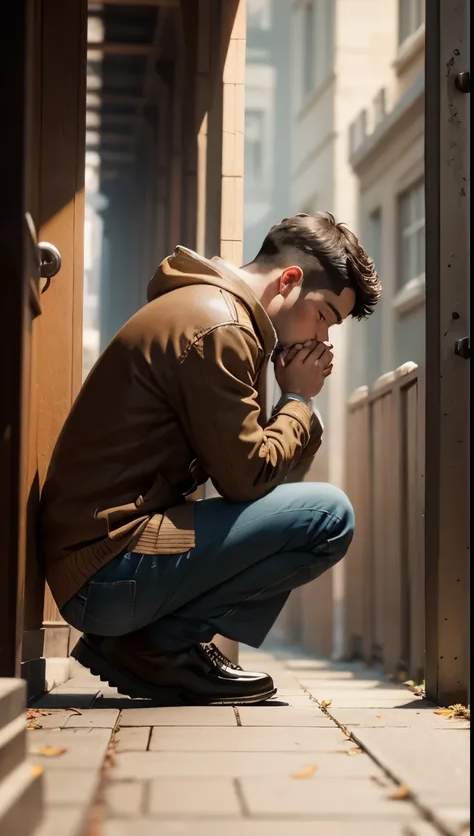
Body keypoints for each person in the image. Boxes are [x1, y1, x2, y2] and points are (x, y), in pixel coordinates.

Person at [41, 212, 382, 705]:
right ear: (289, 280)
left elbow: (265, 480)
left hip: (99, 565)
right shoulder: (222, 328)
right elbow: (247, 479)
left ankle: (154, 646)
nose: (324, 338)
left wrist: (292, 408)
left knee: (311, 512)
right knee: (329, 516)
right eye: (325, 315)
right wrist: (299, 403)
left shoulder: (214, 312)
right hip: (105, 574)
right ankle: (158, 648)